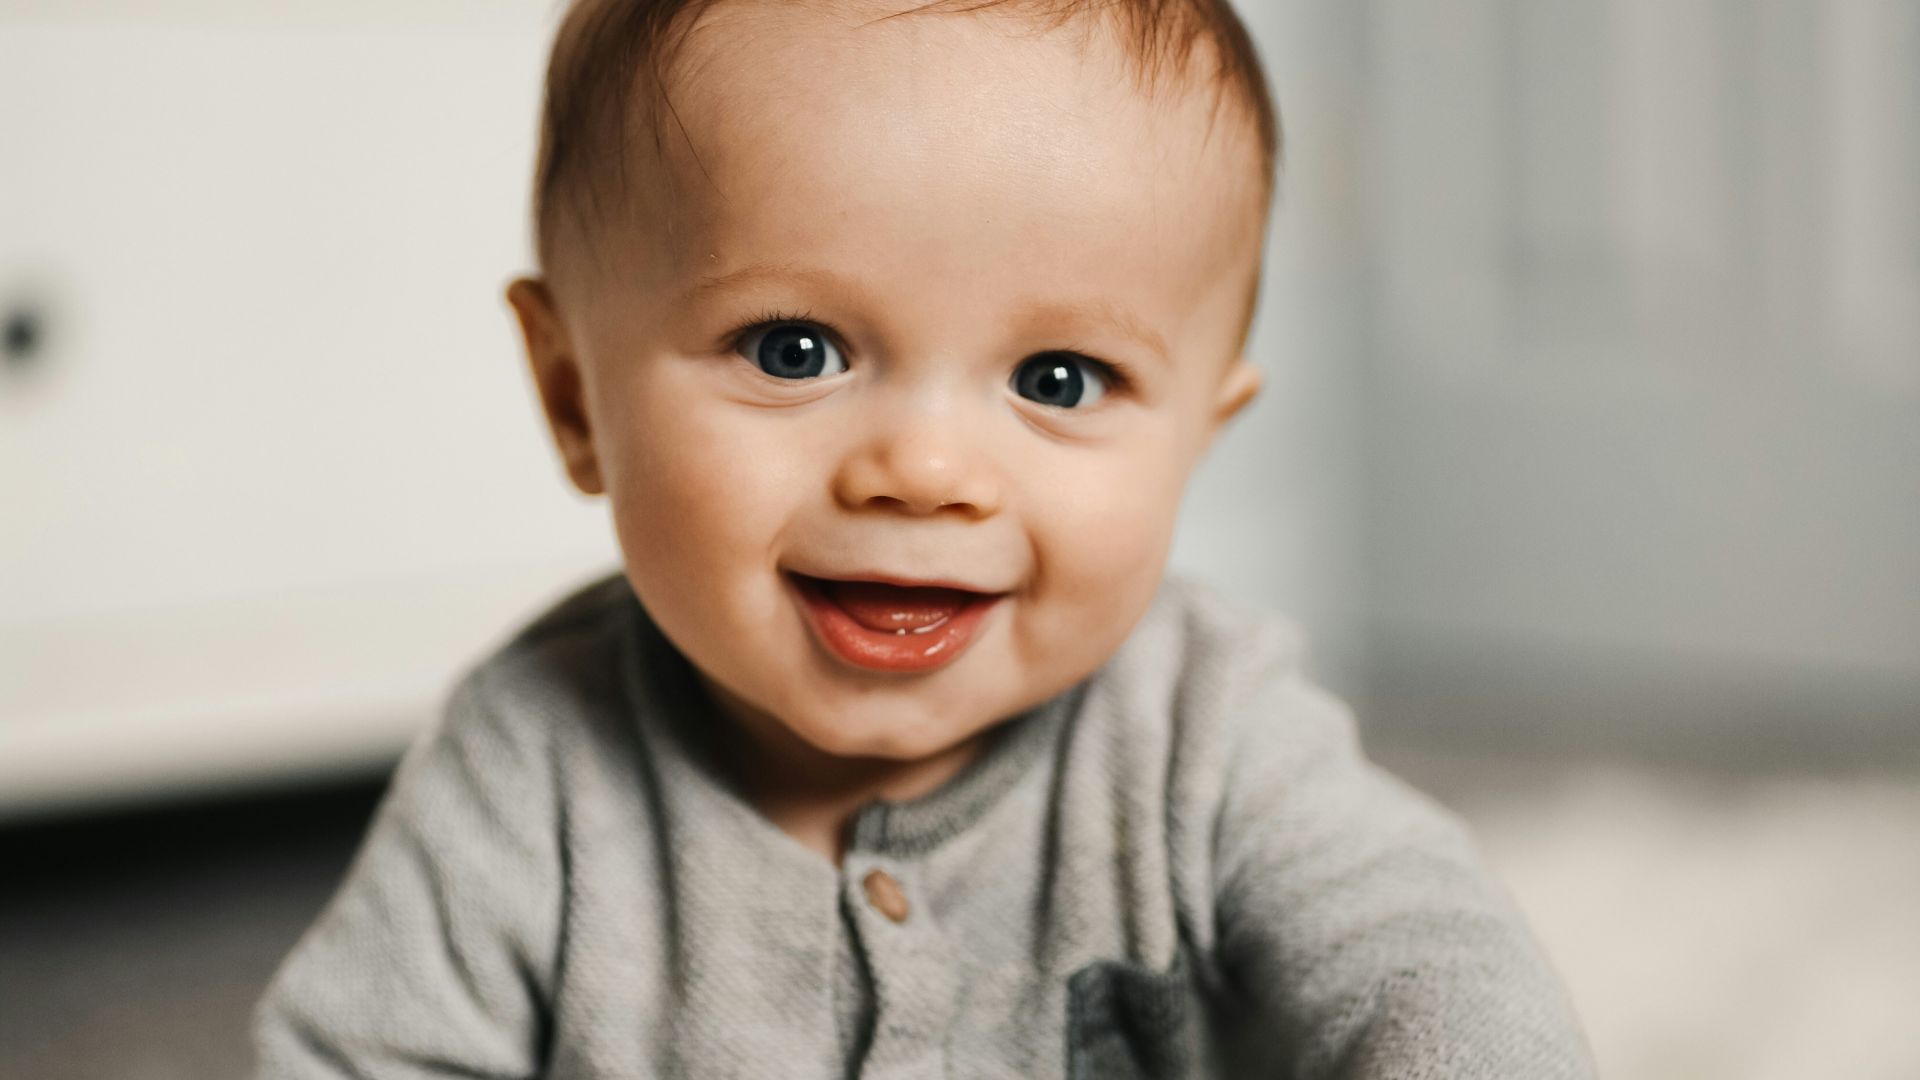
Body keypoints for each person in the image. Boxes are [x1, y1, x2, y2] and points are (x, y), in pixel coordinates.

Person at [251, 0, 1596, 1076]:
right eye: (794, 350)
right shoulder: (530, 766)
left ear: (1199, 435)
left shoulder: (1207, 731)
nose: (927, 473)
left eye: (1059, 379)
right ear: (571, 398)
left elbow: (1424, 956)